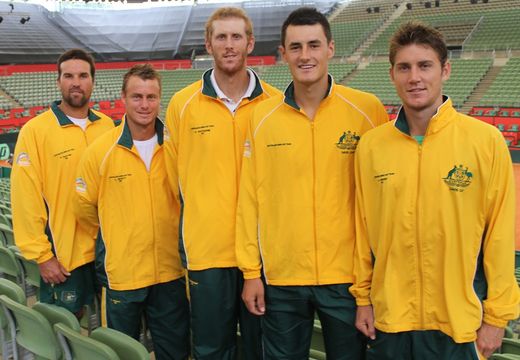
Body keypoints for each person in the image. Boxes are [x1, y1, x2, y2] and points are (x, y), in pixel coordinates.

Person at [352, 21, 520, 360]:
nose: (414, 77)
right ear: (392, 75)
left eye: (424, 65)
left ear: (445, 70)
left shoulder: (485, 142)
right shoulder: (371, 147)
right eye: (404, 67)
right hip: (390, 321)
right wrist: (363, 299)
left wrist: (497, 317)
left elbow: (499, 237)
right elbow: (363, 230)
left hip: (458, 325)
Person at [236, 7, 387, 359]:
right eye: (297, 47)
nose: (306, 55)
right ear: (283, 53)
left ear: (330, 49)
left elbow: (383, 198)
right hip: (282, 279)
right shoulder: (261, 118)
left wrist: (373, 280)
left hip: (347, 281)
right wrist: (251, 272)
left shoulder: (366, 111)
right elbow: (249, 200)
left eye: (314, 45)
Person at [164, 7, 280, 360]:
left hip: (263, 255)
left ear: (250, 43)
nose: (229, 45)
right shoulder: (182, 105)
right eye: (221, 37)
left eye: (236, 37)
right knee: (212, 349)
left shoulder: (275, 104)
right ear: (208, 44)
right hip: (207, 255)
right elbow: (174, 180)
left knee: (263, 349)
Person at [74, 64, 190, 360]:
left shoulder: (177, 148)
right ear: (123, 99)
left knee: (175, 352)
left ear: (160, 99)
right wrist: (119, 233)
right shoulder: (100, 152)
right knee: (122, 354)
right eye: (137, 96)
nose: (145, 104)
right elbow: (85, 208)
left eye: (151, 97)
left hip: (170, 273)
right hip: (123, 276)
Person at [11, 49, 114, 317]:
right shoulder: (35, 131)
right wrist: (43, 256)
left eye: (83, 75)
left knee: (110, 324)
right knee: (67, 330)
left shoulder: (107, 126)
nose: (76, 82)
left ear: (93, 80)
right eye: (68, 76)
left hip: (109, 250)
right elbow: (25, 198)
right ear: (58, 81)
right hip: (65, 257)